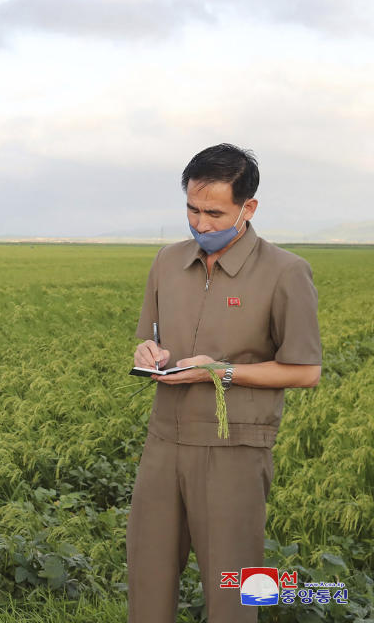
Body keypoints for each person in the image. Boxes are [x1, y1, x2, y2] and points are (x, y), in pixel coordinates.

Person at [126, 143, 322, 622]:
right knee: (147, 581)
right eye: (192, 209)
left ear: (248, 207)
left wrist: (222, 371)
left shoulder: (286, 273)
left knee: (234, 591)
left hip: (235, 449)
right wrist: (147, 353)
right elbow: (147, 339)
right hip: (164, 442)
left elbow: (305, 371)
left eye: (214, 212)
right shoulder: (167, 263)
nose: (200, 223)